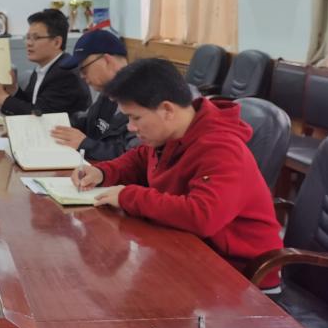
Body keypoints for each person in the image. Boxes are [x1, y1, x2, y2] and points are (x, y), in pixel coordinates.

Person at [70, 57, 283, 286]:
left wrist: (128, 196)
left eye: (135, 117)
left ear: (167, 110)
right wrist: (102, 173)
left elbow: (202, 216)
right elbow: (139, 159)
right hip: (191, 250)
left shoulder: (222, 148)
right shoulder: (172, 133)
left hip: (242, 275)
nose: (131, 127)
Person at [0, 8, 90, 116]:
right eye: (28, 38)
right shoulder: (44, 68)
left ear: (57, 42)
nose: (29, 43)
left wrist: (0, 96)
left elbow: (39, 115)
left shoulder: (66, 73)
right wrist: (13, 89)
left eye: (36, 38)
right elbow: (31, 105)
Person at [50, 29, 137, 161]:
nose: (81, 75)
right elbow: (86, 122)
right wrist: (53, 124)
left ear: (107, 60)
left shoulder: (143, 98)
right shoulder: (106, 94)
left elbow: (133, 157)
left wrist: (85, 144)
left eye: (84, 68)